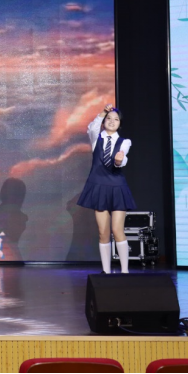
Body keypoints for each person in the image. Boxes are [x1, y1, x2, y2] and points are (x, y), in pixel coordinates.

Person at [77, 104, 136, 274]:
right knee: (103, 232)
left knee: (117, 230)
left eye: (116, 119)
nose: (112, 121)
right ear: (104, 122)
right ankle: (106, 271)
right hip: (99, 186)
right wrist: (103, 112)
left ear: (120, 123)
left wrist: (119, 161)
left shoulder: (125, 142)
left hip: (117, 186)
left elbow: (122, 158)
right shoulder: (96, 138)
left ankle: (125, 271)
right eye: (108, 119)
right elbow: (92, 127)